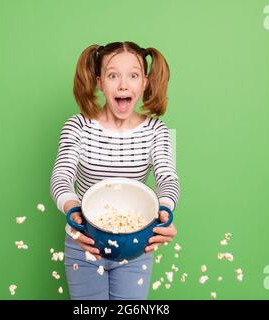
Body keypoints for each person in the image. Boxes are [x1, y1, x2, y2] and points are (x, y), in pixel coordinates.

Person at [50, 41, 180, 300]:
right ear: (99, 82)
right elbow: (61, 177)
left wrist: (165, 209)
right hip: (84, 243)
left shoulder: (158, 131)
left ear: (144, 82)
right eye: (113, 76)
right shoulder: (77, 127)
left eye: (133, 75)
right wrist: (73, 209)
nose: (123, 85)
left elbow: (168, 178)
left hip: (135, 247)